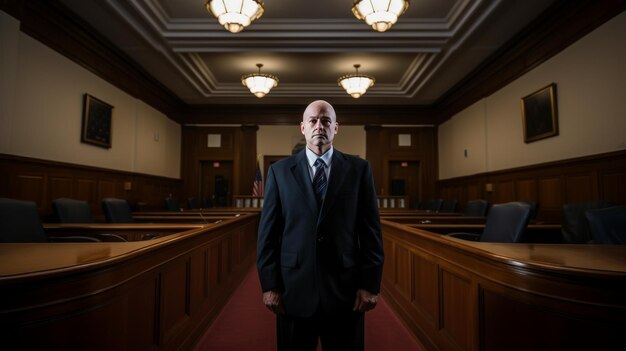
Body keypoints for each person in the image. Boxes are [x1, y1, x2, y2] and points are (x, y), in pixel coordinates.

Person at [257, 100, 384, 350]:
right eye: (313, 120)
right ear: (302, 127)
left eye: (326, 121)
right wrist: (270, 285)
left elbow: (371, 232)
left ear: (335, 128)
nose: (319, 126)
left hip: (345, 292)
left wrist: (370, 284)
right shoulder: (279, 172)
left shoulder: (359, 170)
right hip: (292, 291)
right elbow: (268, 234)